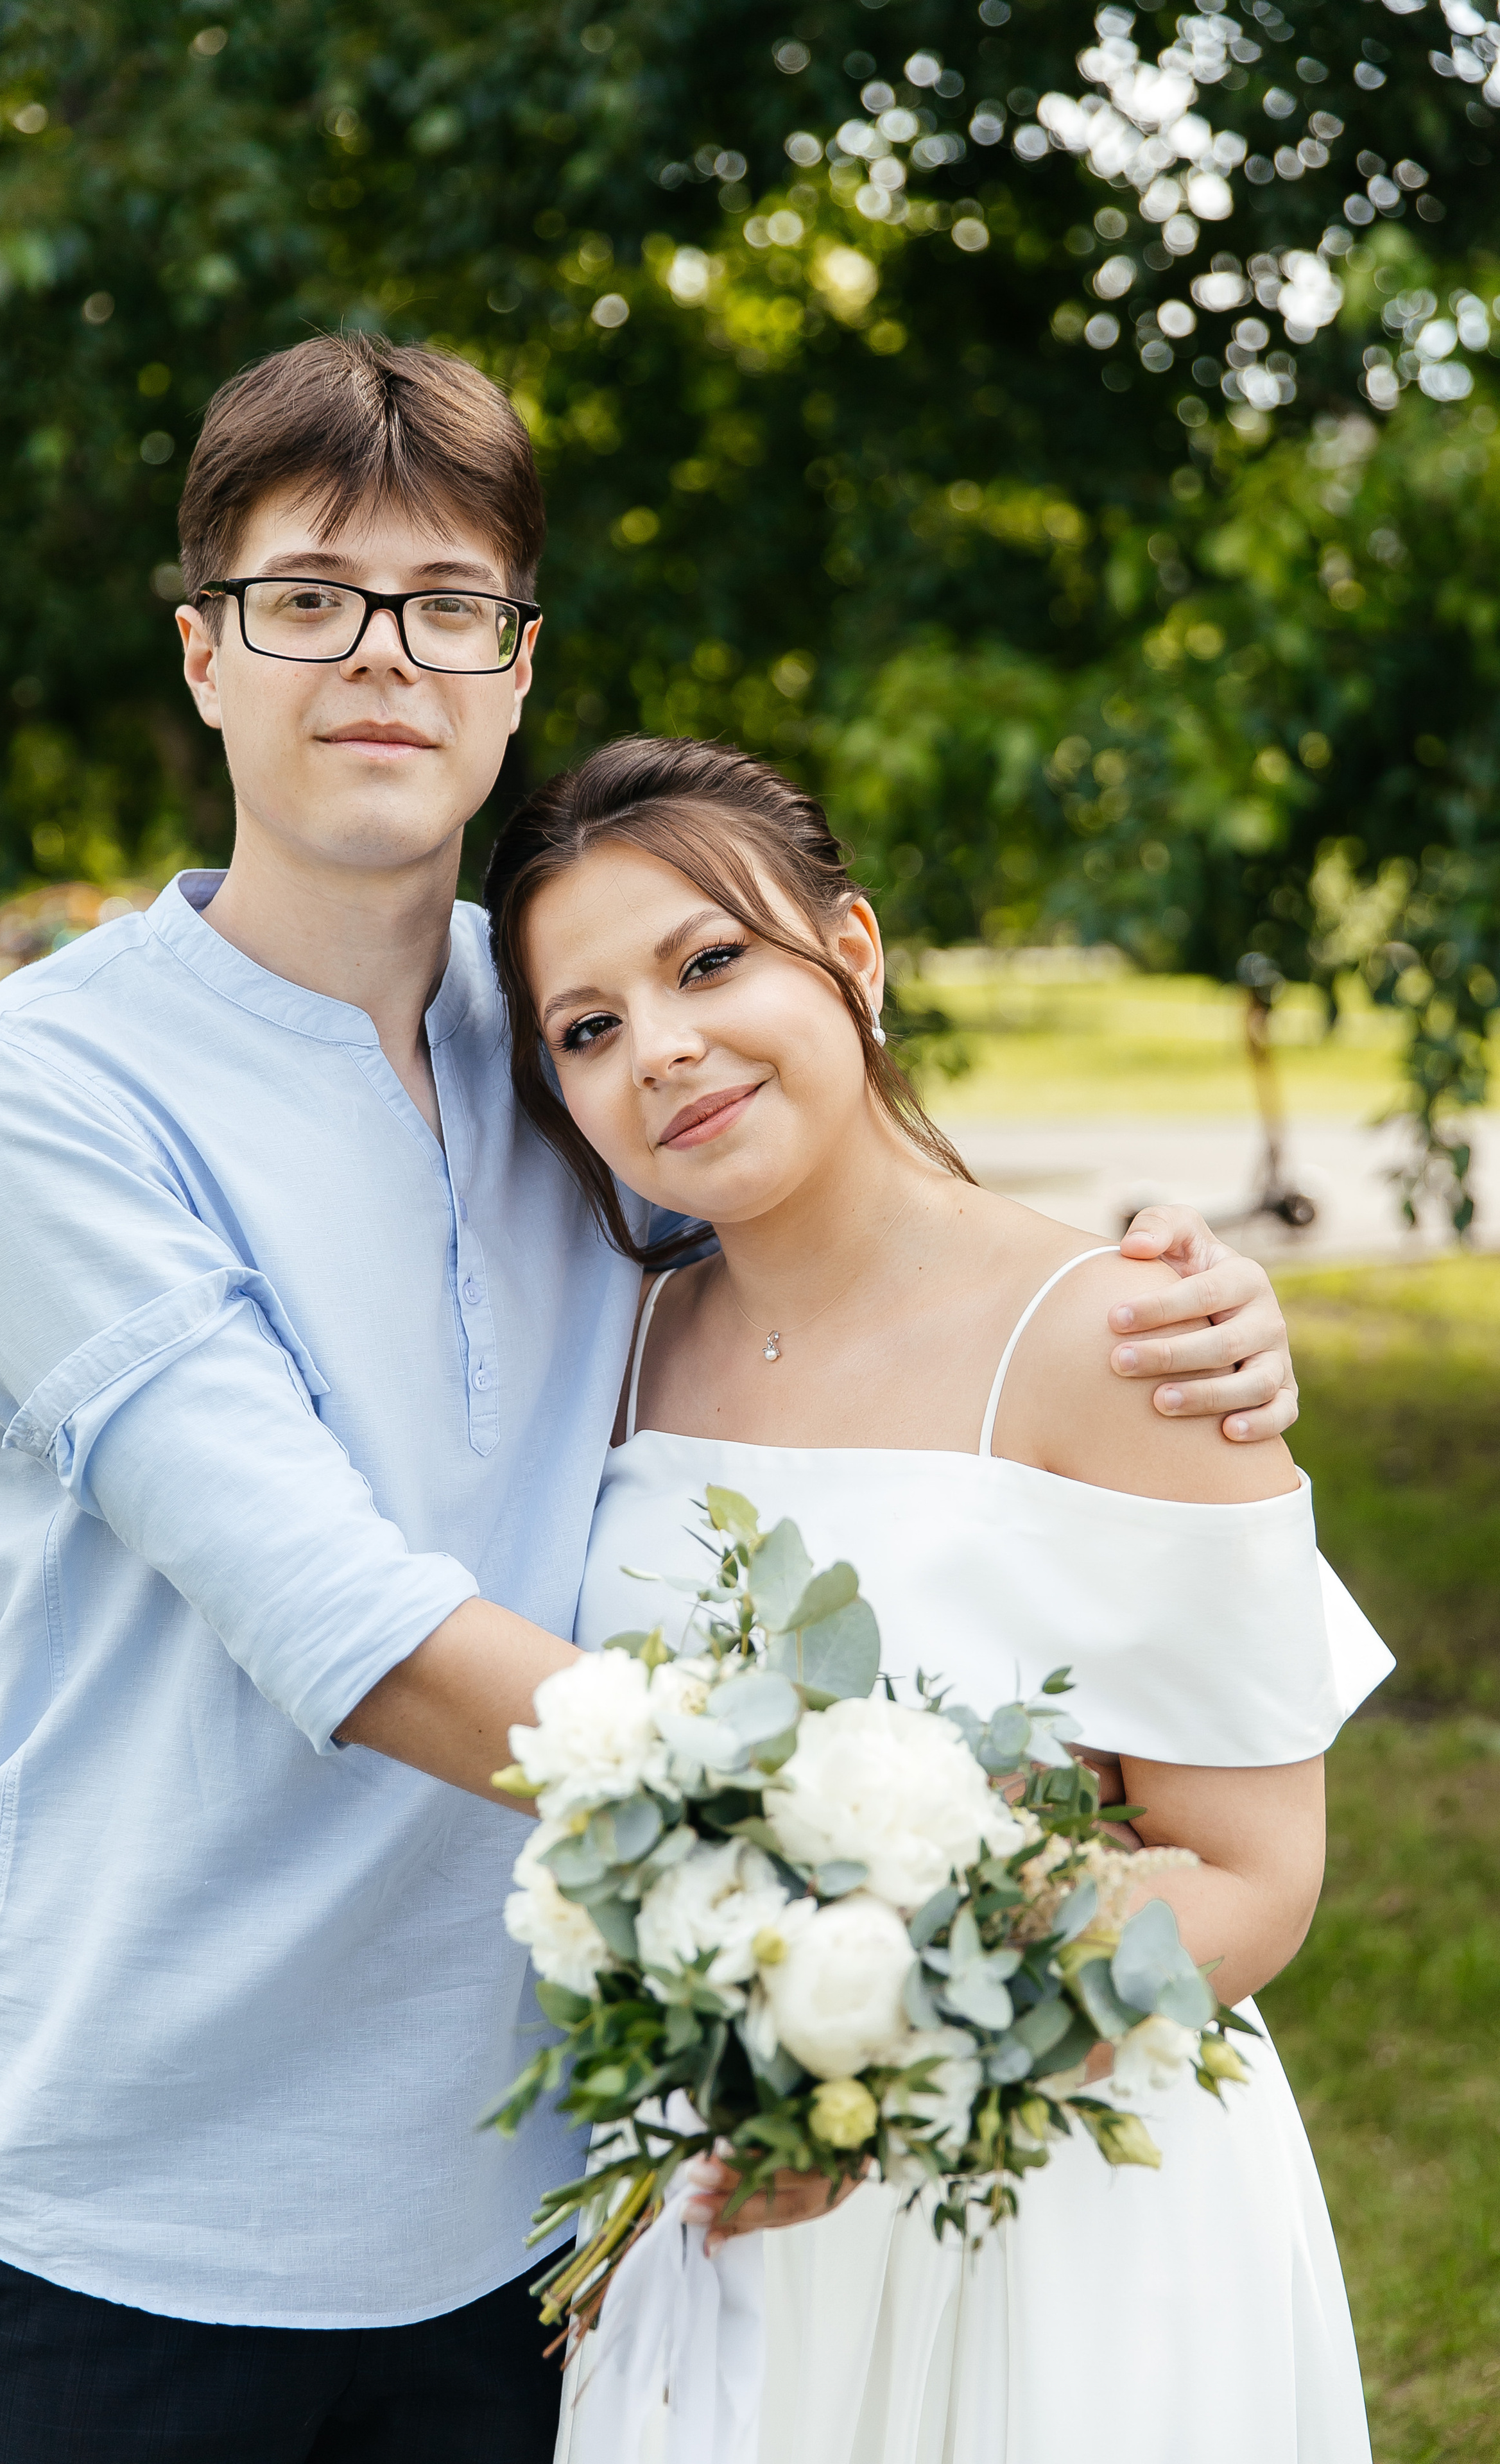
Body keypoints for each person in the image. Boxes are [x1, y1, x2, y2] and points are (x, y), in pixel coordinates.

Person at [0, 331, 1299, 2462]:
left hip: (551, 2222)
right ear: (205, 657)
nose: (382, 657)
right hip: (145, 2211)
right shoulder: (42, 1088)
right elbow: (331, 1610)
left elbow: (859, 1290)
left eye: (447, 607)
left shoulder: (576, 1039)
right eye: (309, 600)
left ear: (517, 668)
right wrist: (852, 1874)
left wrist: (1180, 1311)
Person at [478, 735, 1390, 2463]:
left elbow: (1260, 1881)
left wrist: (889, 2070)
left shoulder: (1130, 1337)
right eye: (586, 1029)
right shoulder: (612, 1354)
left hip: (1050, 2210)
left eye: (710, 962)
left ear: (857, 952)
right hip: (714, 2203)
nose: (662, 1047)